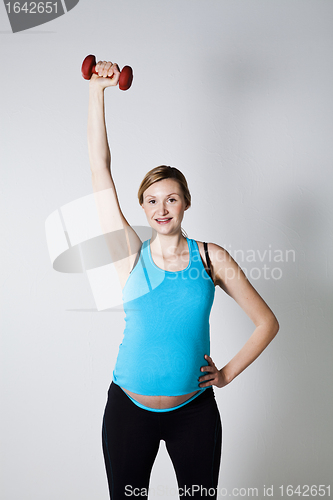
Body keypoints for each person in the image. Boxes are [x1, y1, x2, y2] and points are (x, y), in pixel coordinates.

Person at [87, 60, 279, 499]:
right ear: (143, 208)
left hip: (194, 414)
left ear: (185, 203)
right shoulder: (129, 256)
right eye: (152, 200)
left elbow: (267, 322)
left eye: (171, 198)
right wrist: (97, 93)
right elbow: (100, 170)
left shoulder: (211, 258)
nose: (162, 208)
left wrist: (226, 374)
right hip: (127, 412)